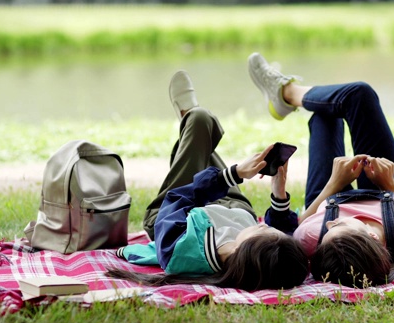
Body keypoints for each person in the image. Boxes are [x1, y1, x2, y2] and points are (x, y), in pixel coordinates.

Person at [247, 52, 394, 288]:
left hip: (328, 195)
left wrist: (334, 183)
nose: (330, 225)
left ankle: (287, 94)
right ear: (372, 237)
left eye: (326, 235)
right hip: (388, 193)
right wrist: (390, 185)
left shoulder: (314, 238)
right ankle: (287, 93)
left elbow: (295, 227)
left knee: (324, 117)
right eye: (338, 226)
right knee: (359, 94)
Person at [106, 71, 308, 291]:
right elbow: (283, 233)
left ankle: (189, 118)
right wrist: (279, 192)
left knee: (200, 120)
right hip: (236, 209)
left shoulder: (180, 249)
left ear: (244, 250)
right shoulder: (266, 252)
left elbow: (179, 197)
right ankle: (191, 128)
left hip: (180, 210)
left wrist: (235, 174)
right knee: (200, 139)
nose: (264, 224)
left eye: (263, 229)